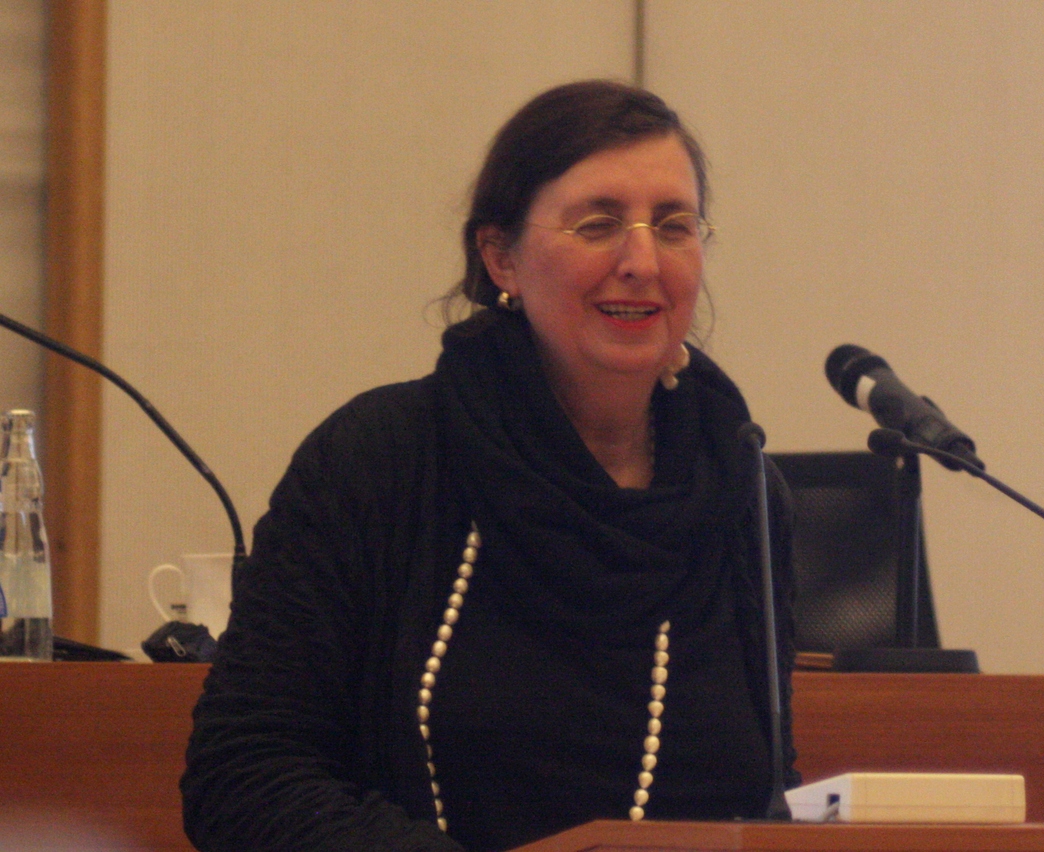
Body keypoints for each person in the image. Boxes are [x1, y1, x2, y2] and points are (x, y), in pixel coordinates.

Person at [181, 79, 797, 852]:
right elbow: (243, 777)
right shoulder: (378, 460)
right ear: (501, 257)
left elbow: (767, 791)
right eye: (598, 224)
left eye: (673, 226)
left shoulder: (739, 487)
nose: (642, 261)